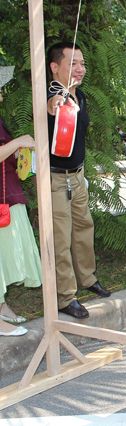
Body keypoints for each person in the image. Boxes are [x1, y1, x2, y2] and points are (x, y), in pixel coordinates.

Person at [46, 42, 110, 319]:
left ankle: (87, 278)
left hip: (78, 175)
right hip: (55, 179)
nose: (81, 68)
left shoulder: (80, 95)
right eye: (73, 63)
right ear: (54, 67)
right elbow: (52, 108)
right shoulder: (52, 95)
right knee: (60, 238)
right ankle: (65, 297)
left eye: (82, 63)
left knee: (84, 227)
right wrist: (55, 104)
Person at [0, 127, 41, 337]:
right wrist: (17, 143)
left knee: (4, 260)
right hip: (3, 197)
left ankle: (2, 308)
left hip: (8, 193)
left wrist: (15, 151)